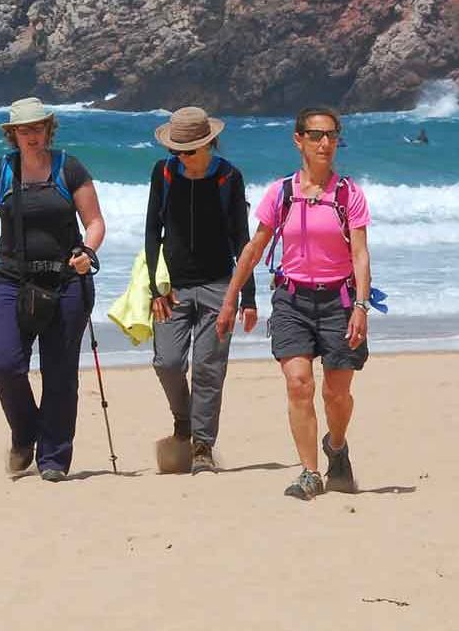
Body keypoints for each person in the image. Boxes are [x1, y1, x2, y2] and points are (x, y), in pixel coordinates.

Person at [219, 107, 372, 500]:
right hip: (292, 300)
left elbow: (360, 254)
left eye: (332, 136)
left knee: (336, 395)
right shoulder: (281, 193)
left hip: (339, 301)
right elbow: (255, 248)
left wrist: (360, 306)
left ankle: (336, 445)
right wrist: (231, 297)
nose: (325, 143)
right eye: (317, 135)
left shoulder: (348, 194)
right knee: (298, 384)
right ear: (298, 139)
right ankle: (309, 472)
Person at [0, 97, 107, 482]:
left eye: (37, 128)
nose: (31, 135)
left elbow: (94, 222)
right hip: (10, 280)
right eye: (23, 129)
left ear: (48, 129)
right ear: (12, 134)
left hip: (65, 280)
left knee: (60, 373)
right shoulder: (0, 173)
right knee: (5, 364)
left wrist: (87, 253)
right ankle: (25, 434)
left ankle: (54, 459)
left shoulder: (69, 168)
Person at [143, 107, 257, 474]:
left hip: (219, 285)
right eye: (177, 150)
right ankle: (184, 421)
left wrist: (248, 297)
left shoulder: (228, 178)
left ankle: (203, 447)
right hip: (173, 288)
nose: (183, 157)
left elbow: (242, 238)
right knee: (168, 362)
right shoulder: (163, 174)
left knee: (209, 368)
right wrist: (154, 289)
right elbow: (151, 233)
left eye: (189, 150)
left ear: (208, 144)